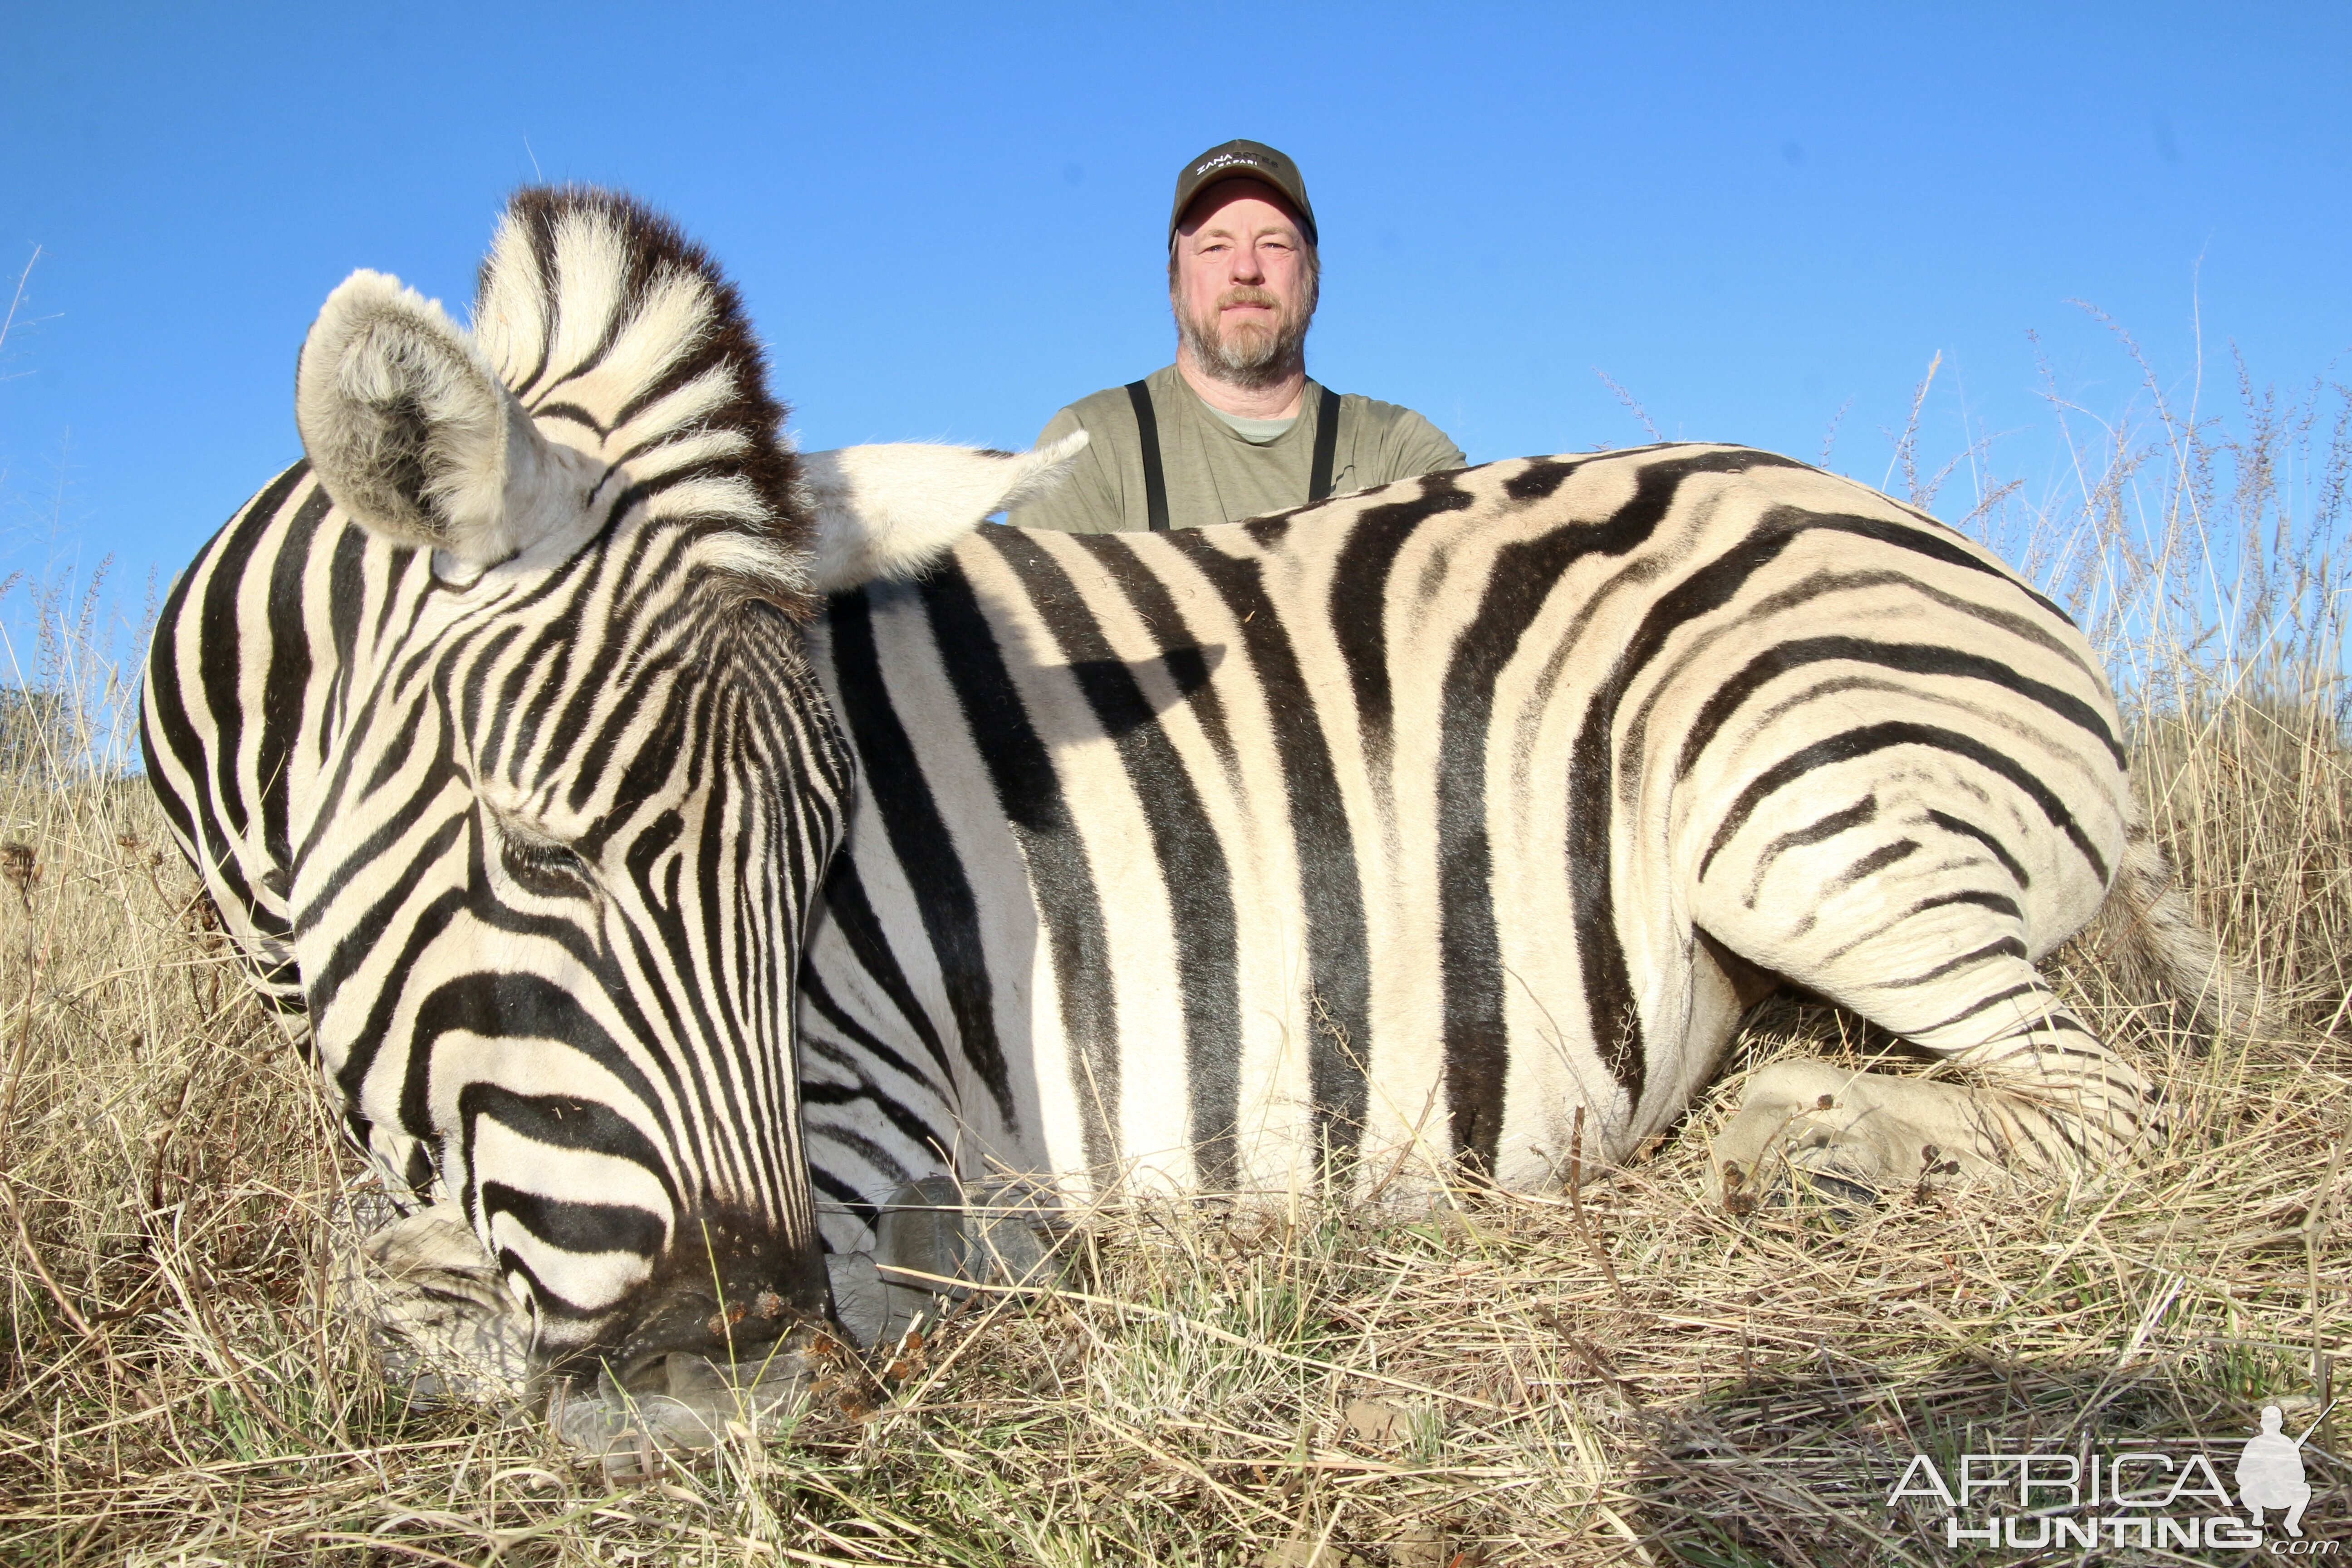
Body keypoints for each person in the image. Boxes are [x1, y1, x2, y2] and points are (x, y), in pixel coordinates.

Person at [1008, 139, 1465, 534]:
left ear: (1314, 276)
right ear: (1174, 283)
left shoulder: (1398, 452)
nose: (1246, 270)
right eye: (1215, 247)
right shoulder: (1090, 449)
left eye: (1274, 244)